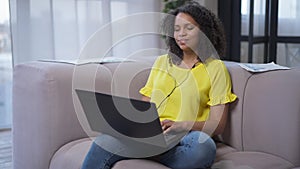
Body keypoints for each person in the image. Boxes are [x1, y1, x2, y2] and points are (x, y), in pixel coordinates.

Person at [81, 1, 237, 169]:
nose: (181, 34)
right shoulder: (162, 62)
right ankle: (153, 153)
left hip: (187, 136)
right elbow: (145, 104)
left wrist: (182, 124)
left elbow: (217, 124)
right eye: (176, 29)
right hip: (153, 135)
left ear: (204, 31)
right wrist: (130, 123)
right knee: (103, 141)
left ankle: (156, 157)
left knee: (204, 146)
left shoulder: (216, 68)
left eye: (189, 28)